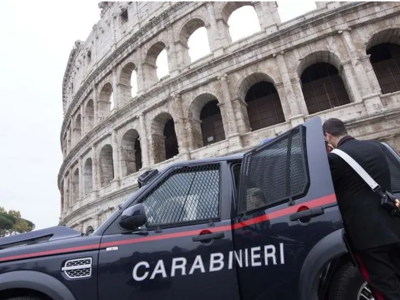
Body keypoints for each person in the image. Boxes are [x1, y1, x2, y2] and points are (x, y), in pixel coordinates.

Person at [323, 117, 400, 300]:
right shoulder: (377, 147)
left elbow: (327, 189)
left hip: (367, 235)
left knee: (386, 286)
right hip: (393, 225)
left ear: (328, 135)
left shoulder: (335, 159)